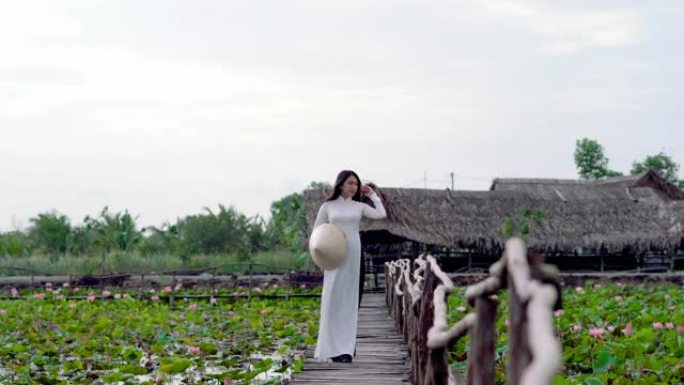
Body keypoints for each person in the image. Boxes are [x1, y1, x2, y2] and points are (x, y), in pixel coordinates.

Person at [312, 170, 387, 363]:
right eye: (350, 183)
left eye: (356, 183)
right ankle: (331, 348)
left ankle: (346, 350)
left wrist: (372, 195)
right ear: (340, 185)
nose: (353, 186)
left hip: (353, 254)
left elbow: (381, 214)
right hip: (334, 253)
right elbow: (317, 232)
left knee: (350, 300)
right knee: (333, 300)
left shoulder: (359, 206)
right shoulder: (328, 206)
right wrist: (334, 232)